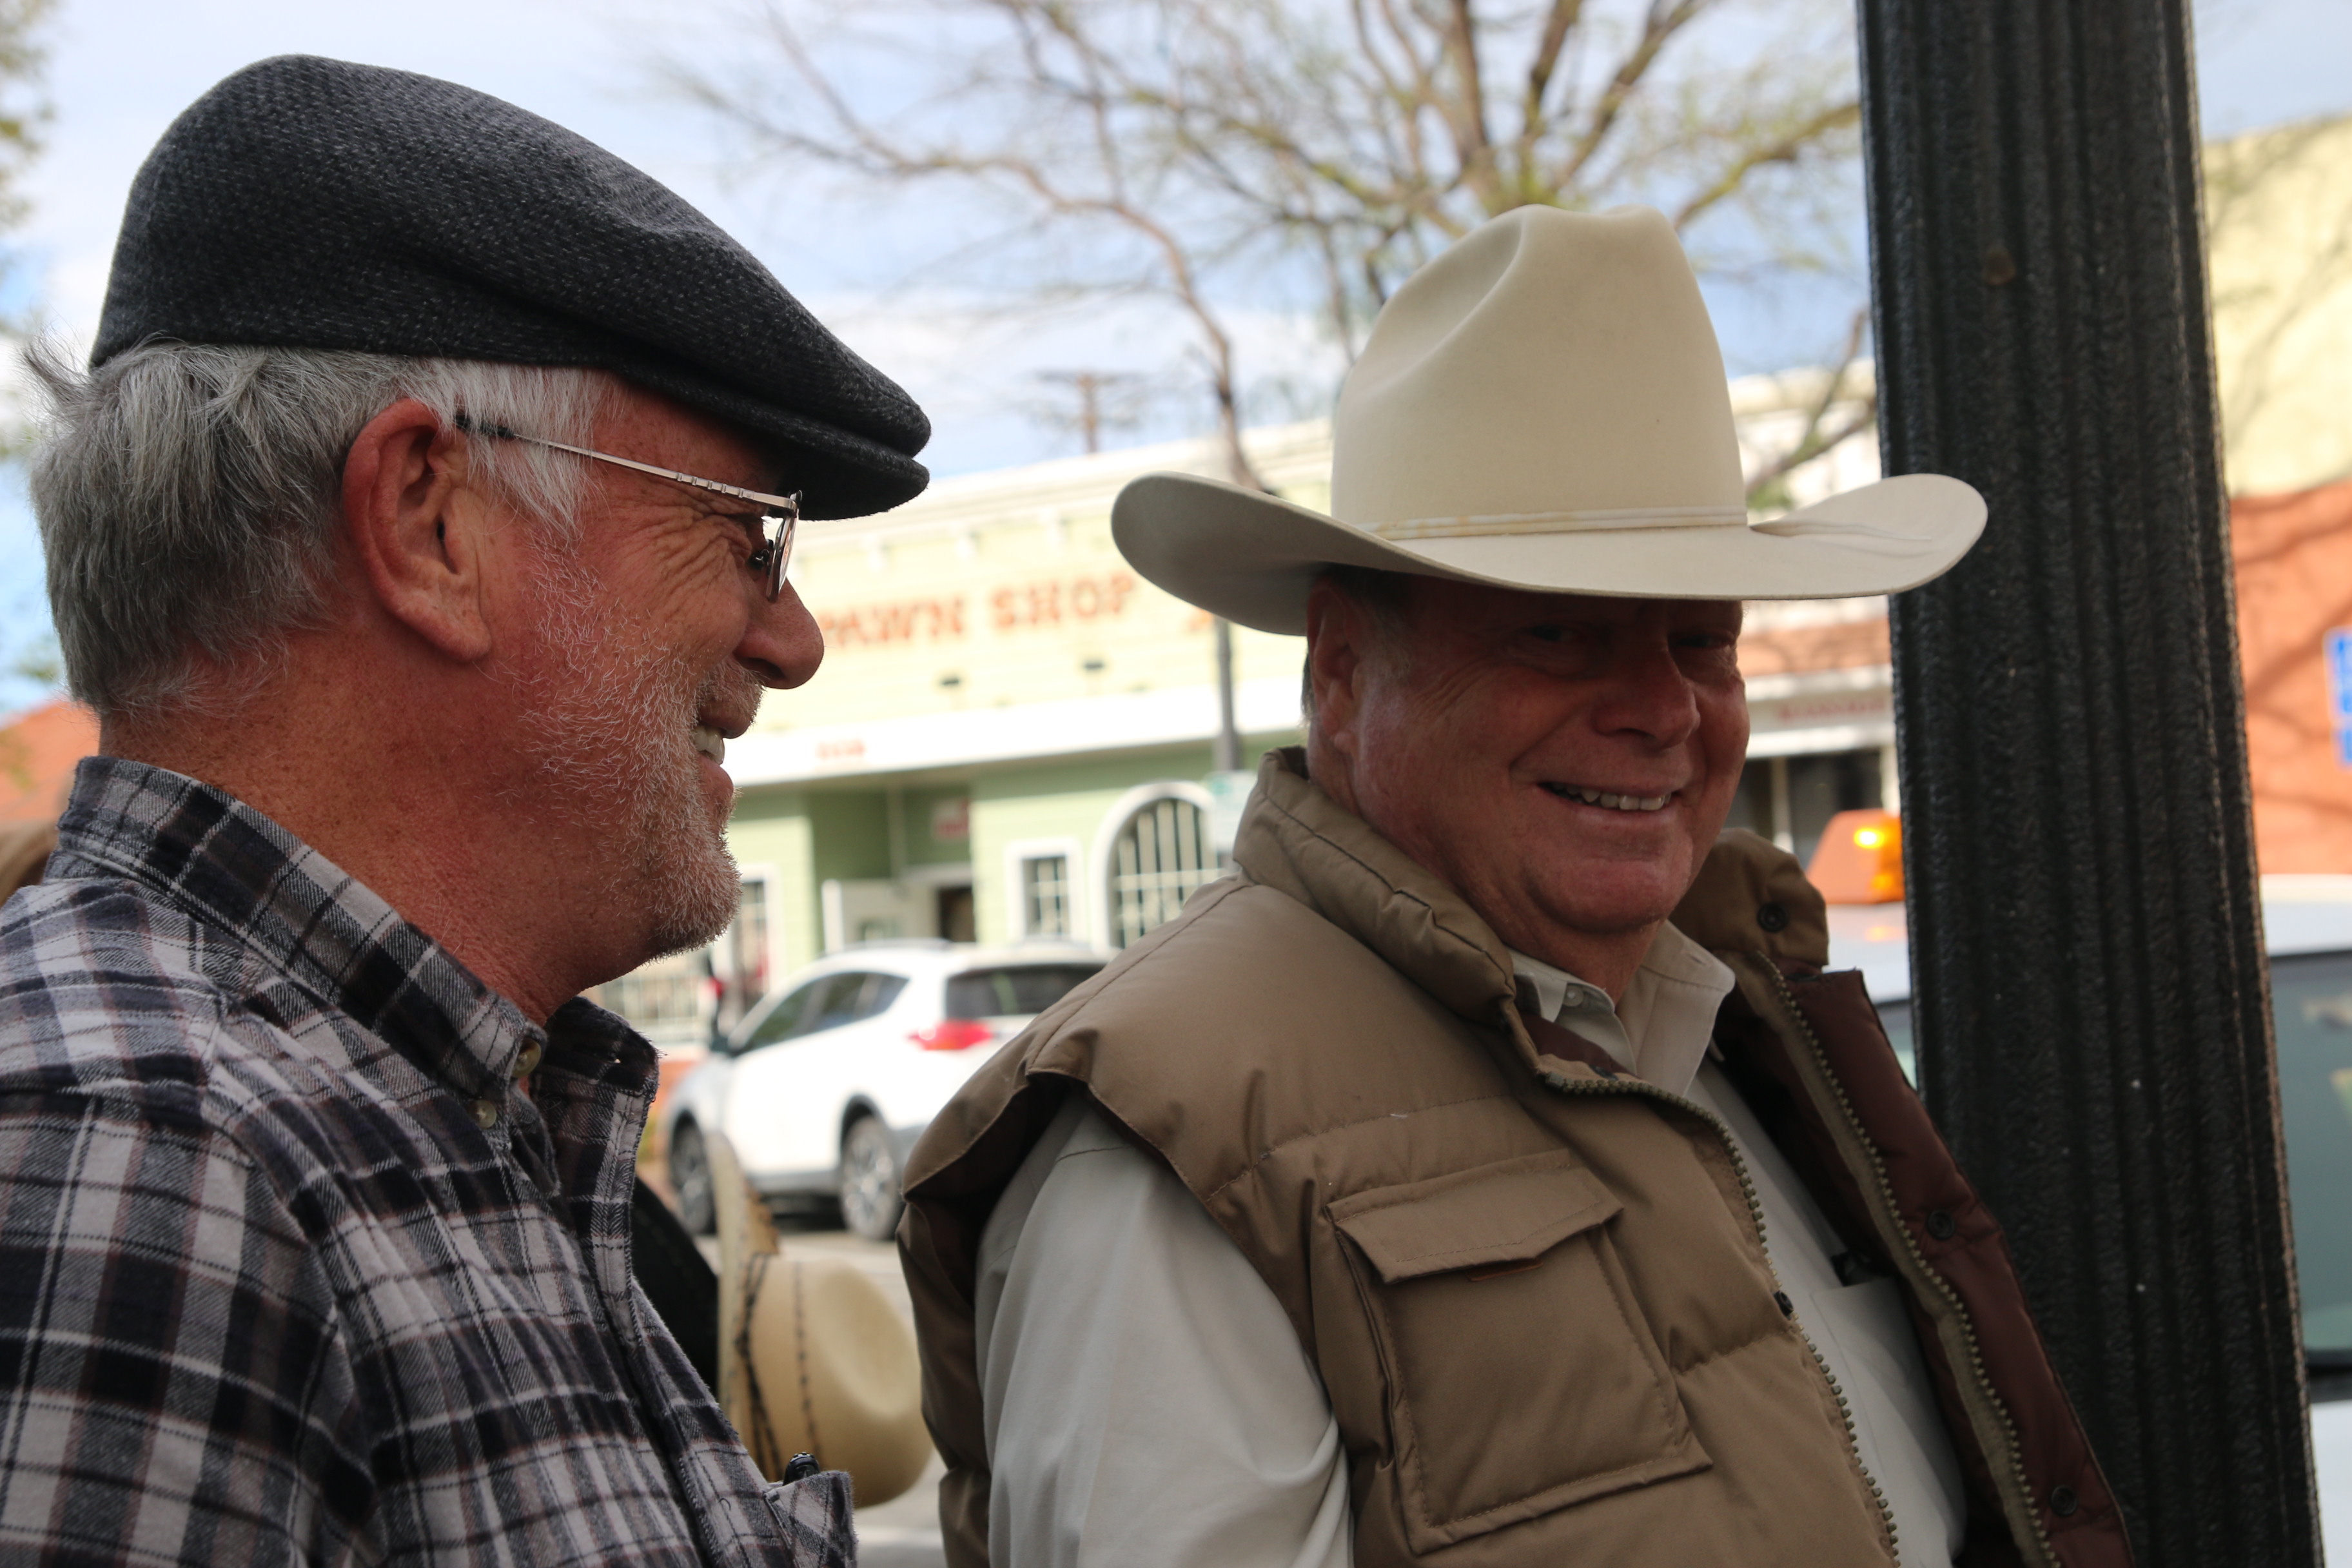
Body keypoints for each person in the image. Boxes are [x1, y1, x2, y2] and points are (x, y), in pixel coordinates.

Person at [898, 207, 2133, 1568]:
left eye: (1702, 639)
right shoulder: (1169, 1146)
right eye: (1557, 631)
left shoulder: (1738, 1031)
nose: (1663, 707)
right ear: (1341, 671)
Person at [0, 55, 930, 1565]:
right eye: (750, 539)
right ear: (429, 518)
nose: (792, 638)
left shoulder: (427, 1121)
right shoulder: (148, 1162)